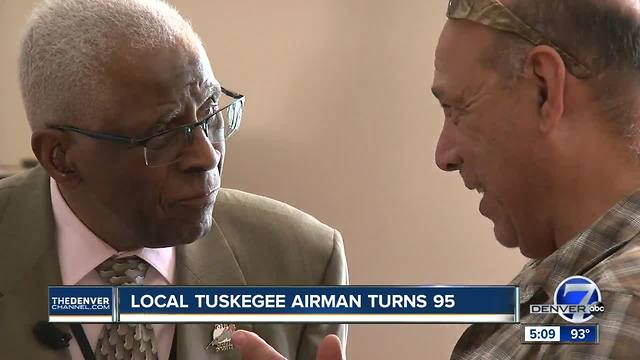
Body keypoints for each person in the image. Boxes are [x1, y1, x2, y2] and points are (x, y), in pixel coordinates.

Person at [233, 0, 640, 359]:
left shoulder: (613, 307)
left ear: (544, 89)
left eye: (458, 108)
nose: (444, 155)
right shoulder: (570, 291)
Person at [0, 0, 348, 359]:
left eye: (210, 112)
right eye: (164, 132)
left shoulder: (303, 263)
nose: (207, 156)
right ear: (60, 157)